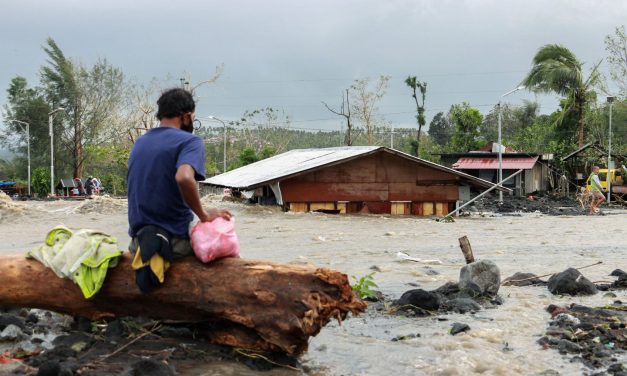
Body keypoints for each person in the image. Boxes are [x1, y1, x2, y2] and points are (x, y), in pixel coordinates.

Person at [127, 88, 231, 258]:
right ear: (186, 116)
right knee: (223, 248)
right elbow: (183, 177)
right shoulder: (190, 141)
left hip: (138, 243)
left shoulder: (140, 143)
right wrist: (204, 215)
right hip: (174, 243)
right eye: (193, 117)